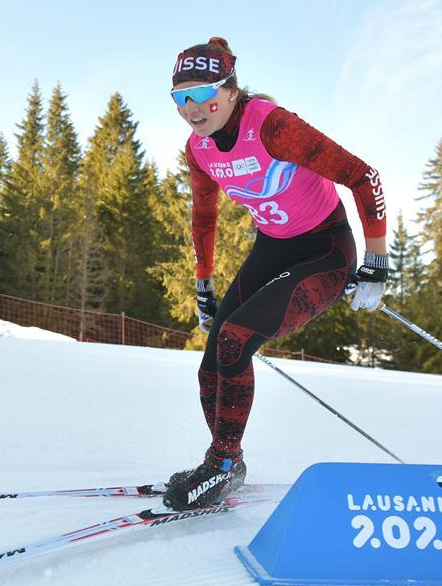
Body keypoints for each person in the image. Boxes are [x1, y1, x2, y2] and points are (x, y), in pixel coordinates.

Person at [162, 37, 389, 511]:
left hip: (326, 249)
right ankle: (225, 463)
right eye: (181, 98)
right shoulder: (199, 149)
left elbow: (363, 176)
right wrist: (203, 284)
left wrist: (375, 265)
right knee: (213, 356)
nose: (193, 109)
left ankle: (222, 464)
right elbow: (204, 216)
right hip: (273, 245)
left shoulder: (273, 126)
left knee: (235, 340)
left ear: (230, 91)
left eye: (203, 96)